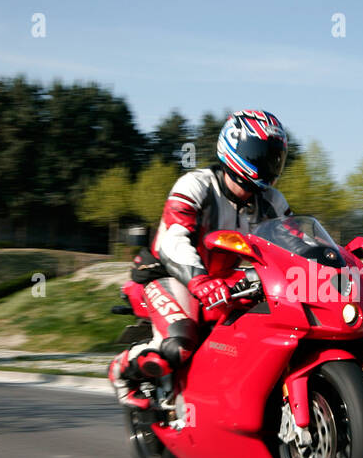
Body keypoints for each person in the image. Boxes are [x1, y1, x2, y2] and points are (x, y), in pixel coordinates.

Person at [112, 110, 292, 408]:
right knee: (178, 346)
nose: (269, 163)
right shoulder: (195, 185)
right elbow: (173, 239)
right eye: (261, 153)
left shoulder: (272, 200)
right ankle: (122, 369)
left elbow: (292, 242)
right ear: (235, 147)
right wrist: (200, 280)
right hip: (170, 274)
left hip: (222, 279)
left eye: (275, 156)